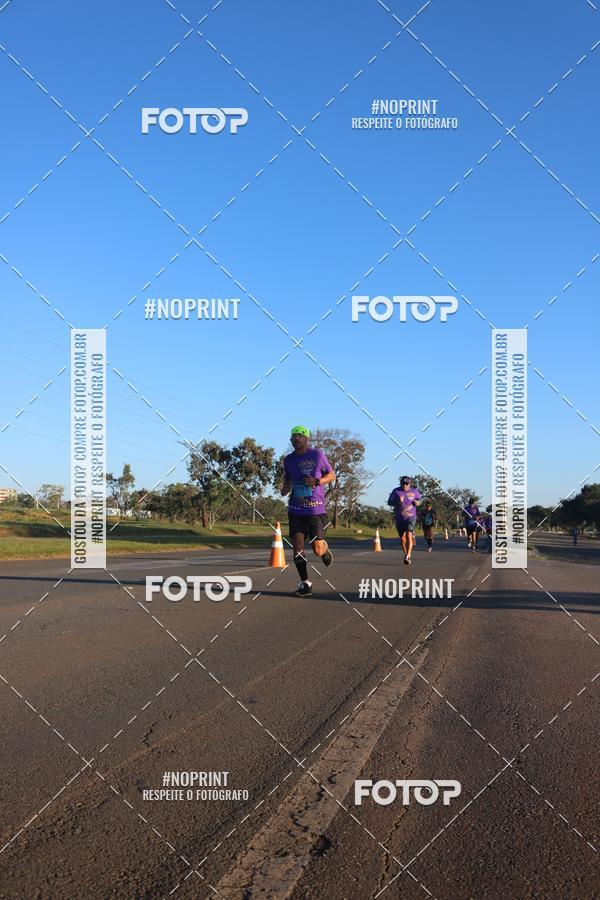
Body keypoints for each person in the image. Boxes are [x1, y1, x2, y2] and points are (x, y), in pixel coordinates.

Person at [281, 426, 336, 596]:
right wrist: (285, 488)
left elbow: (332, 475)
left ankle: (325, 550)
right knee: (297, 548)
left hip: (315, 511)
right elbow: (288, 477)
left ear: (306, 439)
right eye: (293, 437)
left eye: (299, 437)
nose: (296, 440)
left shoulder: (317, 455)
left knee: (317, 550)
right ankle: (305, 583)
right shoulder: (288, 460)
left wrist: (317, 481)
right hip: (296, 511)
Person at [388, 476, 422, 564]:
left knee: (408, 535)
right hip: (399, 518)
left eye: (406, 484)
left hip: (411, 517)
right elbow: (389, 502)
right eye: (403, 484)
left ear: (410, 483)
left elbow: (419, 501)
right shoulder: (396, 491)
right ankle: (405, 553)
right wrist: (398, 501)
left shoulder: (415, 491)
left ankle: (408, 556)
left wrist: (417, 503)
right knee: (402, 538)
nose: (405, 486)